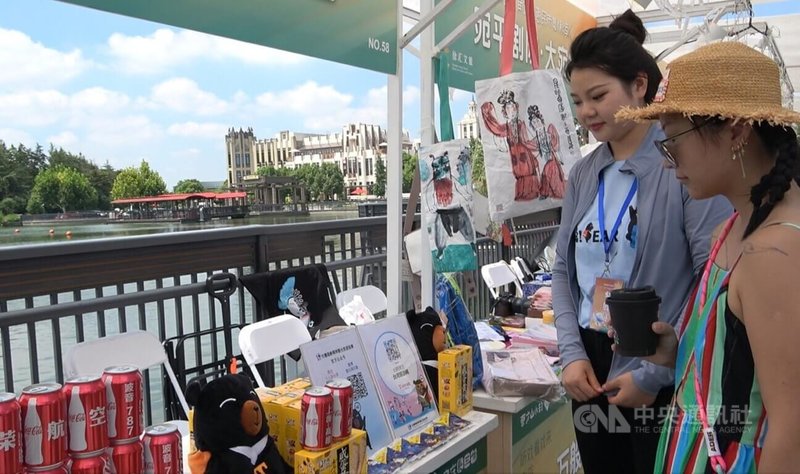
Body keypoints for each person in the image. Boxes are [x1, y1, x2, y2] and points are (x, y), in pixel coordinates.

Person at [552, 10, 731, 473]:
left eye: (597, 96)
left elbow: (712, 278)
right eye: (577, 101)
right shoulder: (584, 173)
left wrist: (656, 373)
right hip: (590, 365)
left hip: (660, 361)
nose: (586, 112)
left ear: (639, 86)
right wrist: (571, 356)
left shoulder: (682, 165)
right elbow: (562, 270)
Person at [617, 41, 800, 473]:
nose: (668, 162)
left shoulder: (773, 253)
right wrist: (677, 353)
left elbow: (790, 435)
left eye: (672, 142)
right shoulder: (731, 229)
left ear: (736, 130)